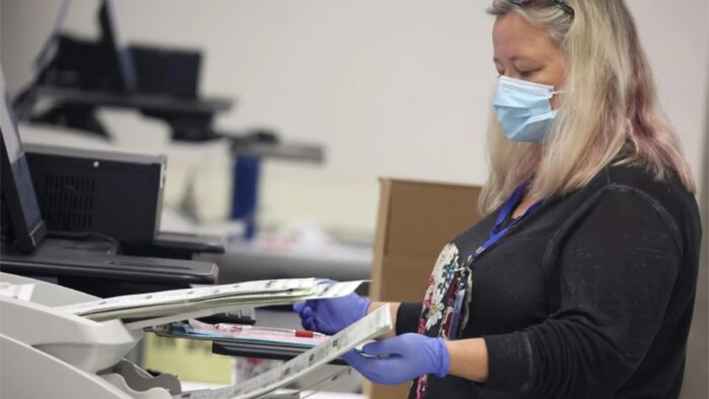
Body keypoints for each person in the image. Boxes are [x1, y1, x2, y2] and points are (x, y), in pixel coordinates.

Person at [294, 0, 703, 398]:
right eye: (501, 71)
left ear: (595, 71)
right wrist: (370, 317)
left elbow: (590, 352)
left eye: (525, 71)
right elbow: (489, 317)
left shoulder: (630, 195)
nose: (507, 90)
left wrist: (441, 356)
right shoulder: (553, 183)